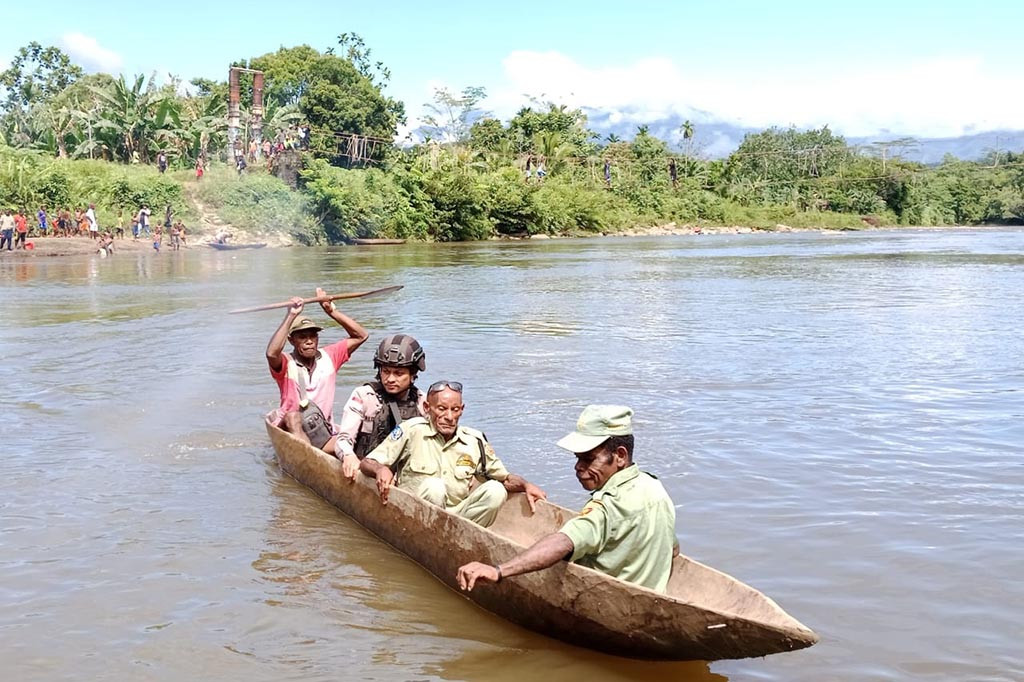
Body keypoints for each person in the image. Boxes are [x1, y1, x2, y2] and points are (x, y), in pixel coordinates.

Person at [456, 405, 678, 593]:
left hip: (600, 595)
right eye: (578, 458)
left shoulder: (606, 505)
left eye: (589, 459)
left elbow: (563, 543)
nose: (578, 467)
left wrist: (499, 570)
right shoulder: (654, 487)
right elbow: (673, 549)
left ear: (620, 456)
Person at [360, 381, 546, 527]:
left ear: (461, 410)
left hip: (461, 517)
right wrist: (380, 469)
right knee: (435, 487)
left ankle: (462, 536)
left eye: (455, 410)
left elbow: (503, 479)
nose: (449, 416)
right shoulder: (411, 430)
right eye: (441, 409)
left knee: (496, 490)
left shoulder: (475, 440)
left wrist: (526, 485)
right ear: (427, 408)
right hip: (416, 514)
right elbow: (368, 462)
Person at [267, 290, 370, 453]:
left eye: (313, 336)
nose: (309, 341)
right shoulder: (286, 363)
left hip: (320, 430)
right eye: (302, 337)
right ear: (291, 340)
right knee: (293, 417)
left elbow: (361, 336)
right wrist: (291, 316)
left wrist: (331, 311)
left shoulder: (329, 357)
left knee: (362, 438)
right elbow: (271, 353)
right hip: (290, 429)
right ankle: (307, 459)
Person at [335, 334, 428, 479]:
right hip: (366, 470)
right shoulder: (364, 396)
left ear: (413, 374)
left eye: (398, 373)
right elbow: (343, 439)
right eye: (386, 372)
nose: (390, 379)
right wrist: (348, 456)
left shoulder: (422, 402)